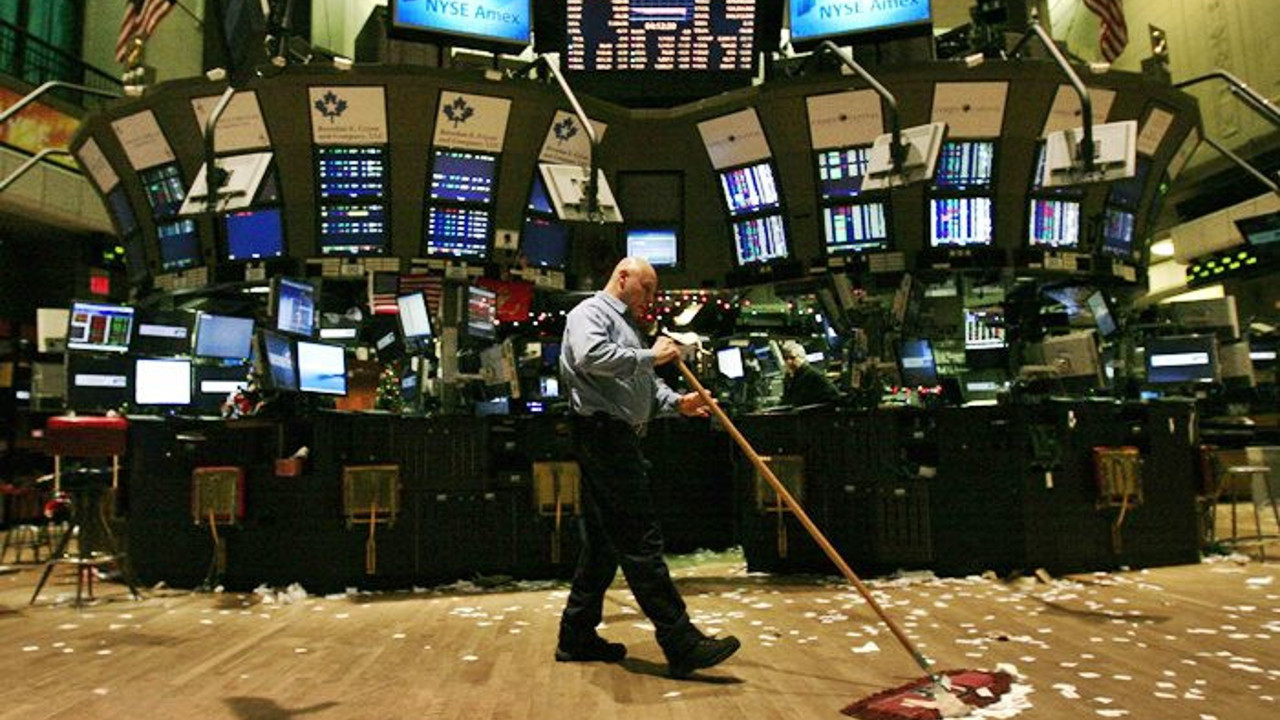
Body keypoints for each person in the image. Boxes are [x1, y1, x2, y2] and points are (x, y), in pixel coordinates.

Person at [556, 257, 741, 678]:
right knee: (640, 538)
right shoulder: (589, 314)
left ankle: (576, 634)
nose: (651, 298)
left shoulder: (627, 326)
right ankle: (680, 641)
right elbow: (591, 356)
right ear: (622, 277)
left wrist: (677, 402)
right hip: (603, 436)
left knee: (604, 544)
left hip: (615, 436)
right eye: (647, 288)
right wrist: (650, 356)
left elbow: (643, 384)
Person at [779, 339, 840, 407]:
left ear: (802, 358)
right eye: (785, 358)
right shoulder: (789, 377)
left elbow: (834, 396)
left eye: (792, 358)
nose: (789, 362)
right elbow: (786, 401)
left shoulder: (813, 375)